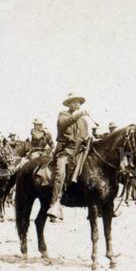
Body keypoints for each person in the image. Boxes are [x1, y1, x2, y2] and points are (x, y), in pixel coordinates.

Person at [48, 93, 92, 221]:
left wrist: (89, 138)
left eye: (79, 102)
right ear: (69, 104)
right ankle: (54, 205)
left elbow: (85, 135)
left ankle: (96, 205)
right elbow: (64, 124)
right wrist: (78, 114)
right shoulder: (63, 115)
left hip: (80, 152)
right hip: (66, 151)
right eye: (74, 102)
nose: (77, 104)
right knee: (60, 174)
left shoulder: (83, 121)